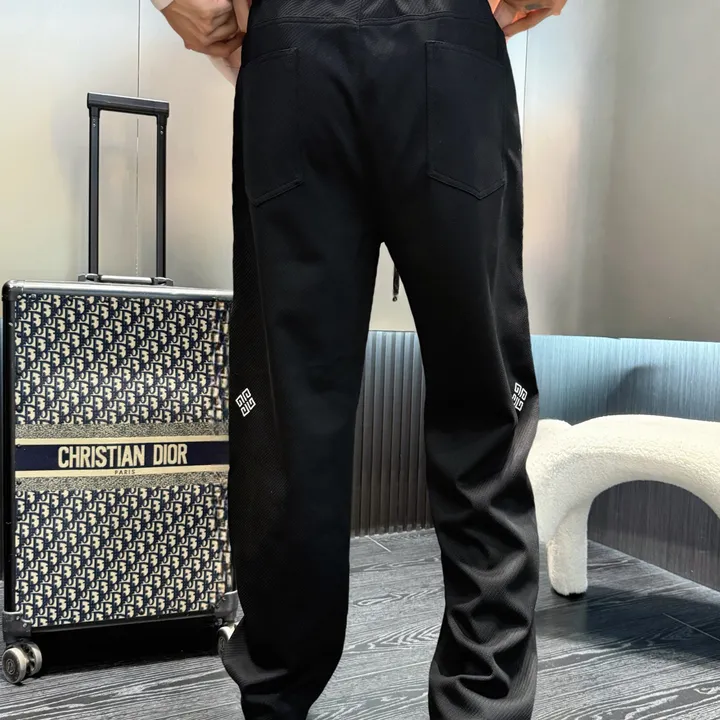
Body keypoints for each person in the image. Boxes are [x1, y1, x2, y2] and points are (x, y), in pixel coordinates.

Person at [154, 0, 567, 718]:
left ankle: (276, 695)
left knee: (286, 422)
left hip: (295, 44)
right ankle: (485, 703)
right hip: (449, 40)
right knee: (484, 415)